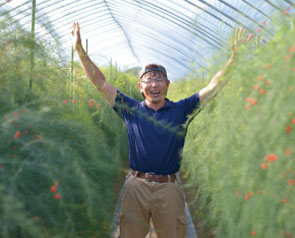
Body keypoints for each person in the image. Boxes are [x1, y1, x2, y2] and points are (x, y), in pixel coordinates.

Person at [71, 22, 244, 237]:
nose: (154, 84)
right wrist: (80, 51)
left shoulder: (182, 109)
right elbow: (99, 82)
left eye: (159, 79)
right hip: (136, 187)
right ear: (140, 87)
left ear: (167, 84)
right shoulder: (130, 109)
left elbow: (213, 87)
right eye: (148, 79)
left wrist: (234, 59)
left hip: (169, 189)